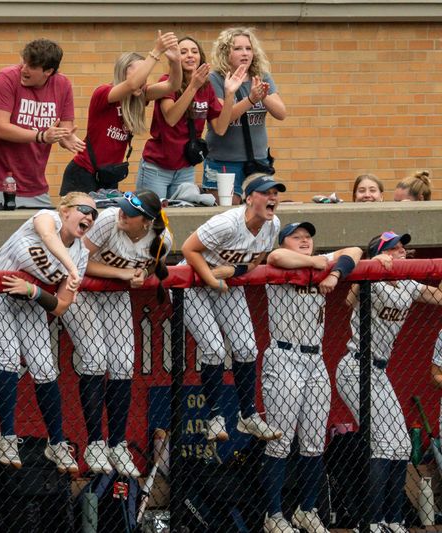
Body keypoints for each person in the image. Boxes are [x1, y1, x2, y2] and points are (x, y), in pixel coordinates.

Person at [0, 191, 97, 472]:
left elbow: (62, 306)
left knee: (45, 368)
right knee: (8, 357)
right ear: (65, 211)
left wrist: (34, 291)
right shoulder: (46, 218)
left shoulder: (80, 253)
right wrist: (69, 268)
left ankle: (56, 443)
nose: (89, 217)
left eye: (94, 214)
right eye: (83, 209)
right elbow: (50, 239)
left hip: (28, 298)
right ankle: (6, 437)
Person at [336, 232, 442, 533]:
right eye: (395, 249)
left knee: (398, 446)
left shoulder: (408, 284)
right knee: (382, 444)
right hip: (355, 366)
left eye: (402, 248)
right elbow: (348, 300)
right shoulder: (372, 279)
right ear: (382, 253)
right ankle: (370, 521)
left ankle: (393, 519)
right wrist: (370, 267)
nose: (402, 251)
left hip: (380, 372)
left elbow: (439, 297)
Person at [261, 222, 363, 533]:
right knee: (279, 441)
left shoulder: (323, 263)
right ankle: (273, 516)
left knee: (314, 442)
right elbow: (276, 258)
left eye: (308, 238)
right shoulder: (281, 260)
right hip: (283, 355)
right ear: (285, 241)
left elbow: (356, 250)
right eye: (297, 237)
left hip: (315, 358)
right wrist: (314, 262)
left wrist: (332, 273)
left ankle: (307, 509)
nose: (305, 241)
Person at [62, 190, 171, 477]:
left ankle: (118, 443)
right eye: (123, 207)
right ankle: (95, 442)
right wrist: (123, 274)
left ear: (147, 222)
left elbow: (151, 267)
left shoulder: (161, 240)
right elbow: (76, 262)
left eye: (131, 213)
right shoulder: (109, 220)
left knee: (123, 365)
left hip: (114, 297)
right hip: (80, 291)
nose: (122, 212)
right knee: (96, 359)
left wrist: (143, 273)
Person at [181, 173, 284, 443]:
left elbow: (255, 259)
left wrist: (233, 271)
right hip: (192, 282)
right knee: (214, 348)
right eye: (266, 192)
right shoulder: (227, 223)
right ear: (249, 199)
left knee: (247, 347)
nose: (273, 197)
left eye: (276, 192)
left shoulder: (273, 225)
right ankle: (214, 418)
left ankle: (247, 416)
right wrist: (212, 279)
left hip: (225, 281)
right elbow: (189, 249)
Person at [60, 31, 181, 195]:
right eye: (140, 75)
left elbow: (172, 86)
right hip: (83, 172)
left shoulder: (139, 96)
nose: (143, 80)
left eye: (145, 76)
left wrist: (175, 62)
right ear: (123, 73)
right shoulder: (104, 93)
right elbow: (132, 84)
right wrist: (156, 52)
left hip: (109, 175)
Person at [136, 36, 247, 199]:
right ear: (175, 58)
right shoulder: (167, 82)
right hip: (158, 167)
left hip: (185, 168)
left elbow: (221, 128)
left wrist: (229, 94)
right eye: (183, 52)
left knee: (182, 215)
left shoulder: (206, 87)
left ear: (200, 57)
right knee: (153, 218)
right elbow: (171, 118)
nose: (190, 55)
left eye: (194, 51)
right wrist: (193, 86)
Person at [0, 38, 85, 207]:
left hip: (37, 188)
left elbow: (63, 129)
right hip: (2, 185)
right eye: (23, 62)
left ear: (48, 71)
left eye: (31, 66)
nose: (23, 69)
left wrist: (65, 137)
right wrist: (41, 136)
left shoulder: (62, 85)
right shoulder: (6, 79)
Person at [202, 28, 287, 204]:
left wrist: (263, 97)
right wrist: (250, 99)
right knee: (225, 212)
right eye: (238, 49)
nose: (245, 53)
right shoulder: (215, 79)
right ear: (226, 52)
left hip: (257, 161)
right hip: (224, 161)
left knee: (260, 210)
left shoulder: (261, 77)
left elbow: (281, 113)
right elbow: (222, 122)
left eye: (248, 48)